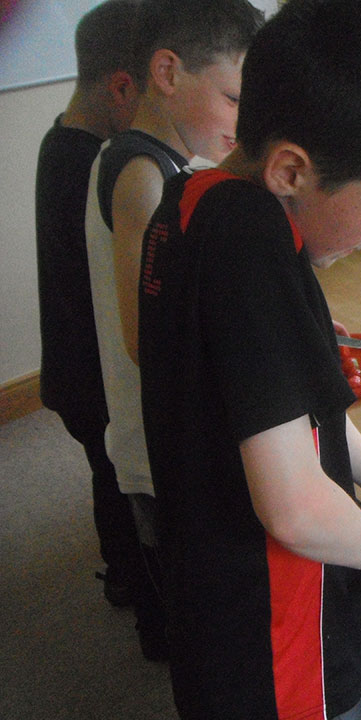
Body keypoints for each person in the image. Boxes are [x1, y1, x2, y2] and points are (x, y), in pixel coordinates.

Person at [137, 0, 361, 717]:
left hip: (218, 606)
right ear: (292, 170)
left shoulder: (196, 195)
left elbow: (301, 409)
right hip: (274, 642)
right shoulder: (251, 248)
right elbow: (296, 508)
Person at [84, 0, 264, 660]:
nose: (244, 123)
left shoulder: (163, 159)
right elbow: (148, 339)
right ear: (167, 71)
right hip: (162, 452)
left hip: (170, 439)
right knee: (202, 615)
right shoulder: (141, 175)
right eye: (234, 98)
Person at [35, 0, 145, 611]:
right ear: (122, 87)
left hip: (74, 370)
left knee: (109, 482)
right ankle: (148, 608)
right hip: (92, 375)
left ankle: (125, 578)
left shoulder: (65, 143)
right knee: (122, 487)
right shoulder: (96, 167)